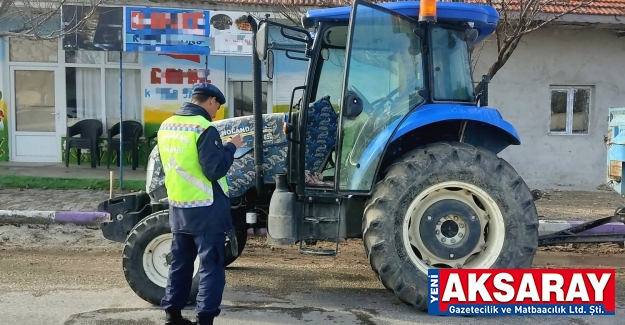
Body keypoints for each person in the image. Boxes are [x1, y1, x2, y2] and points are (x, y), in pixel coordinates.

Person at [157, 82, 243, 325]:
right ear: (211, 101)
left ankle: (172, 315)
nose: (216, 113)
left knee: (180, 264)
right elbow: (214, 170)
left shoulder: (167, 125)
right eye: (217, 107)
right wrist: (230, 147)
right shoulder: (204, 127)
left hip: (179, 207)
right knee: (210, 266)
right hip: (206, 209)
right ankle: (204, 320)